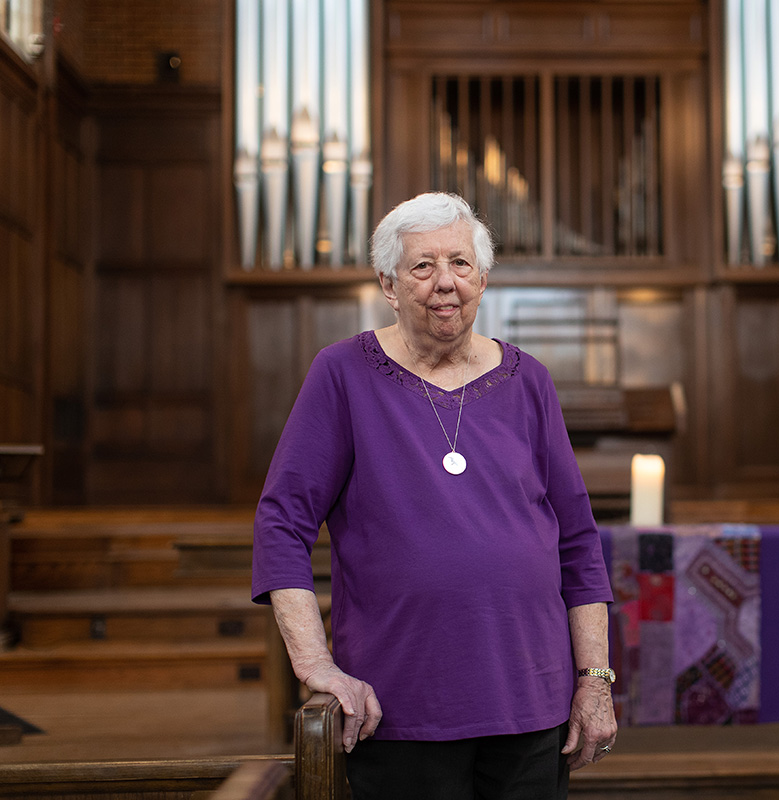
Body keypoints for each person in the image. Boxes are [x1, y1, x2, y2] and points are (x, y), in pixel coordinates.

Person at [251, 191, 617, 799]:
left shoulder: (530, 380)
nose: (445, 281)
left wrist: (595, 679)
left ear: (483, 279)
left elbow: (578, 541)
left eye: (460, 263)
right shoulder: (342, 374)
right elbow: (281, 523)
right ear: (389, 286)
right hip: (399, 707)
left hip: (531, 702)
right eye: (422, 266)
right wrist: (315, 666)